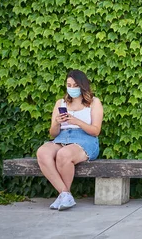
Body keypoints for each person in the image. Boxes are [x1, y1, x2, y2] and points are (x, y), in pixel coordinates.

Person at [36, 70, 104, 210]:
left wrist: (76, 121)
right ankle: (65, 194)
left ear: (82, 85)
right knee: (42, 152)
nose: (71, 88)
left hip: (86, 140)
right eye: (69, 85)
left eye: (75, 85)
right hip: (63, 137)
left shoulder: (94, 102)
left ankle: (64, 196)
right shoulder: (60, 103)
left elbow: (96, 130)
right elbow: (53, 133)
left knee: (64, 154)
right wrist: (56, 122)